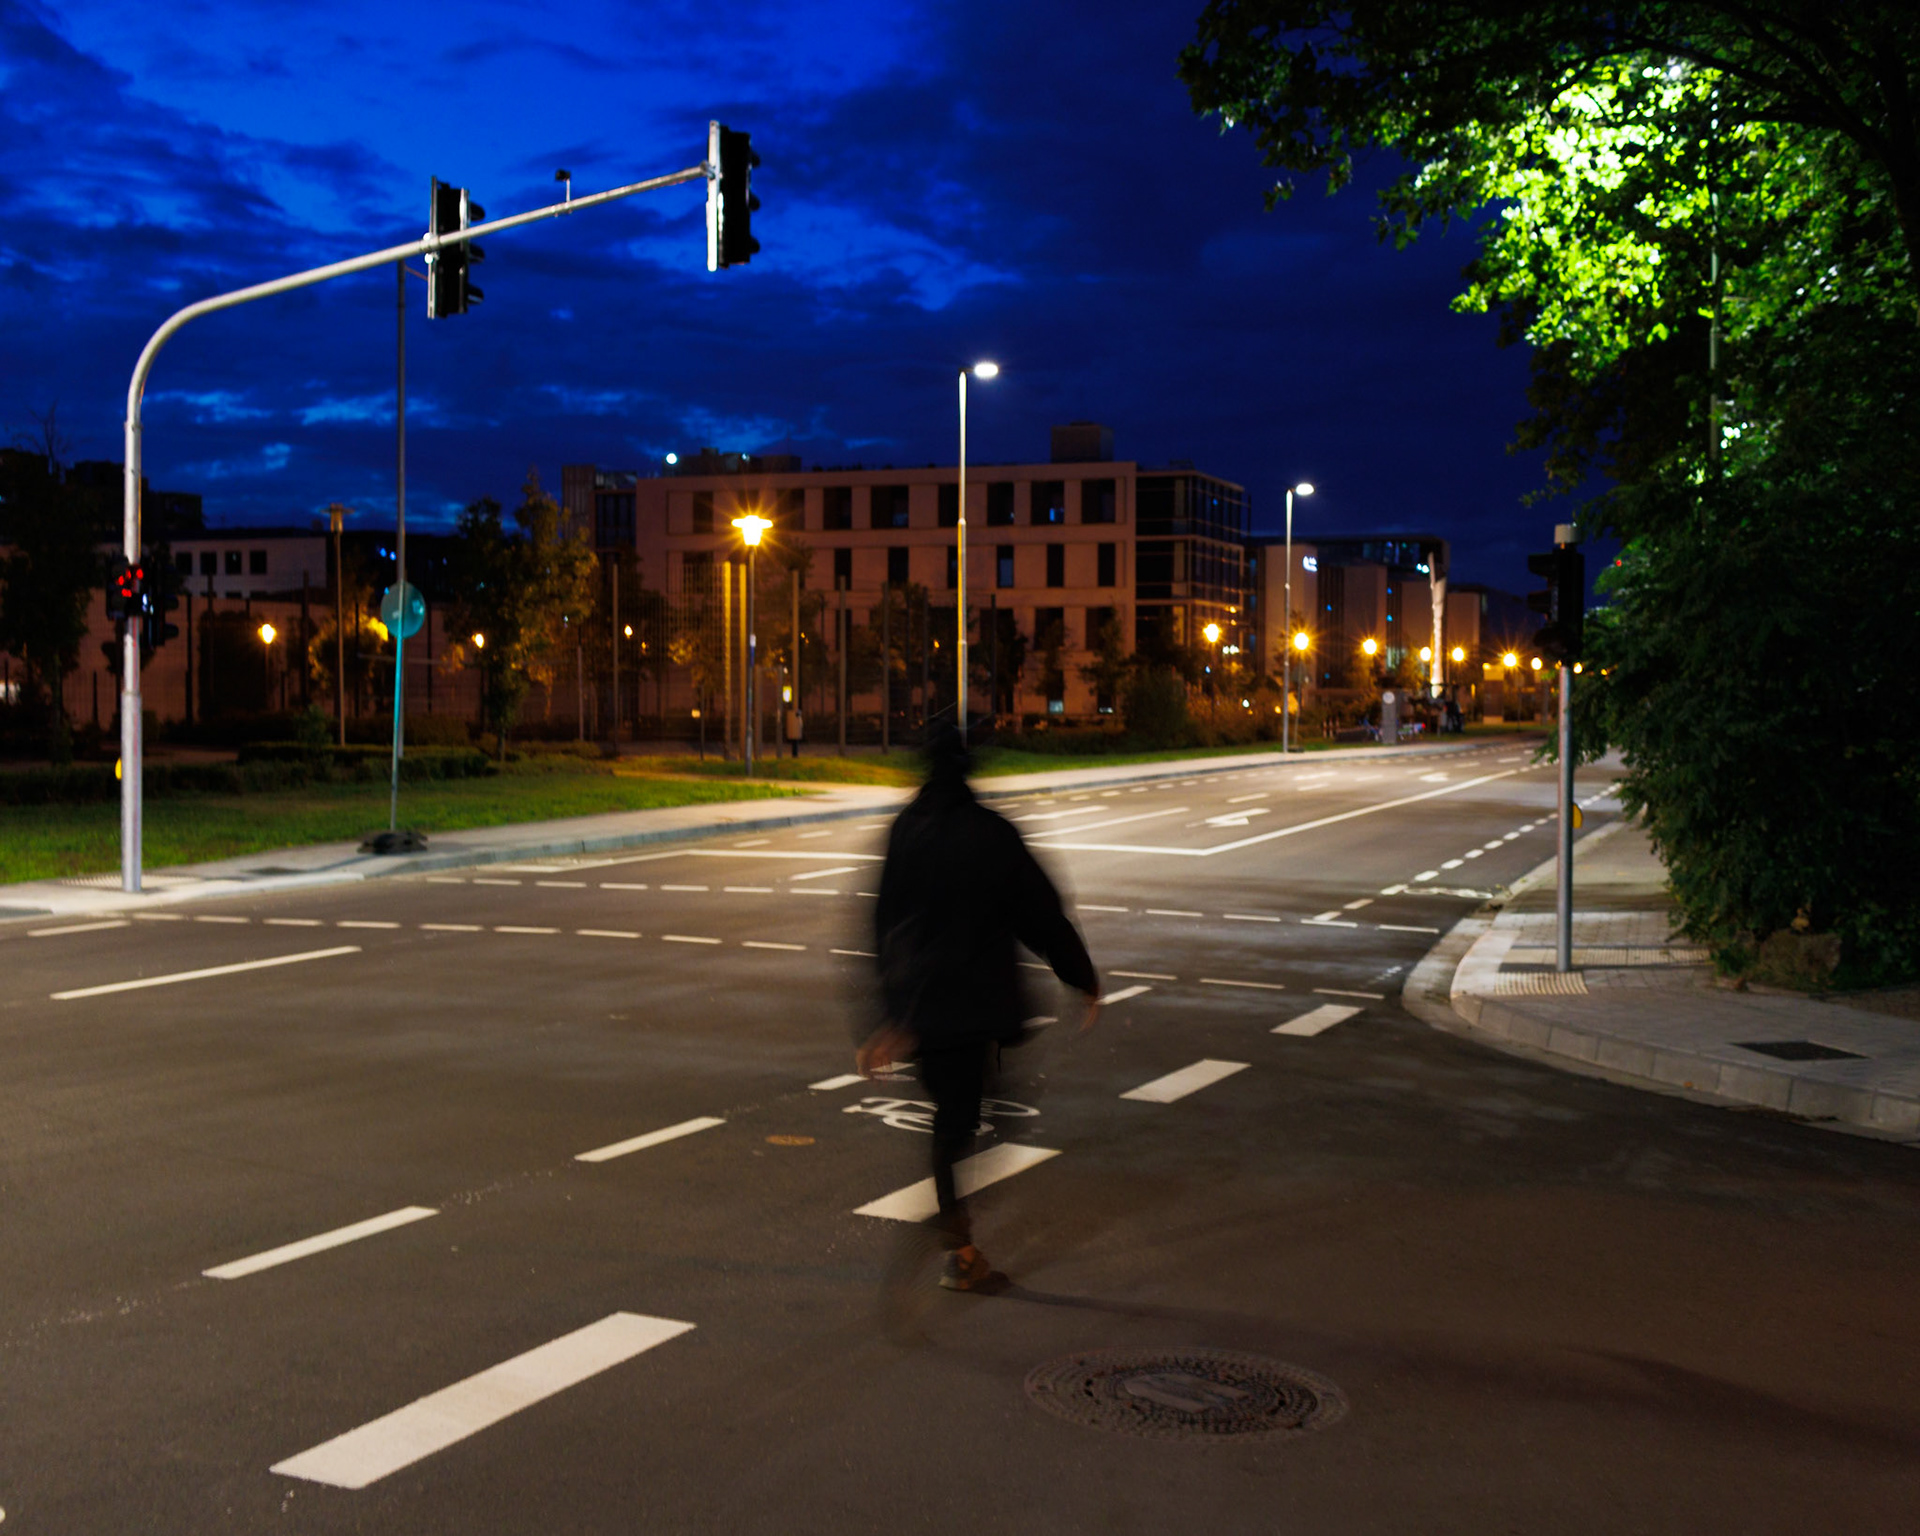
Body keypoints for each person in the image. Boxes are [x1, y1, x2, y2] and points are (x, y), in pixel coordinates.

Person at [858, 722, 1101, 1291]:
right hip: (978, 1006)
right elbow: (1041, 914)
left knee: (952, 1119)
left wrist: (884, 1019)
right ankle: (956, 1240)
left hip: (922, 1009)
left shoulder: (904, 831)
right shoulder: (992, 833)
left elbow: (879, 924)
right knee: (989, 1115)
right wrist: (1081, 977)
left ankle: (955, 1234)